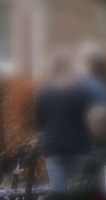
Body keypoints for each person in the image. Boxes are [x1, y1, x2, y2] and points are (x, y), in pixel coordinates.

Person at [34, 51, 94, 192]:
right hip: (79, 146)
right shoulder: (81, 91)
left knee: (59, 193)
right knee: (80, 190)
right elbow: (87, 120)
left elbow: (39, 122)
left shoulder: (43, 92)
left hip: (53, 147)